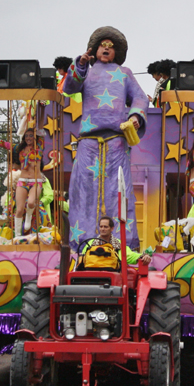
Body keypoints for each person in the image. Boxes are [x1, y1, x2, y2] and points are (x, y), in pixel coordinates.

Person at [64, 26, 150, 252]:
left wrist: (135, 117)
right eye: (103, 45)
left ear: (117, 52)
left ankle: (123, 246)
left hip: (115, 142)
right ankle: (81, 245)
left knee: (119, 191)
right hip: (88, 143)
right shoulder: (86, 72)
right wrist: (80, 64)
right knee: (83, 191)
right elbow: (69, 86)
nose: (106, 49)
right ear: (94, 49)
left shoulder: (125, 74)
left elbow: (140, 98)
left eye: (111, 46)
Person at [0, 128, 47, 237]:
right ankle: (17, 236)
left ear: (35, 137)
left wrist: (42, 112)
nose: (28, 138)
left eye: (31, 135)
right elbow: (4, 144)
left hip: (35, 181)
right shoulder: (20, 148)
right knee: (19, 209)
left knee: (31, 203)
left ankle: (29, 217)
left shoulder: (39, 147)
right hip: (22, 181)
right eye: (26, 136)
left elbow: (40, 129)